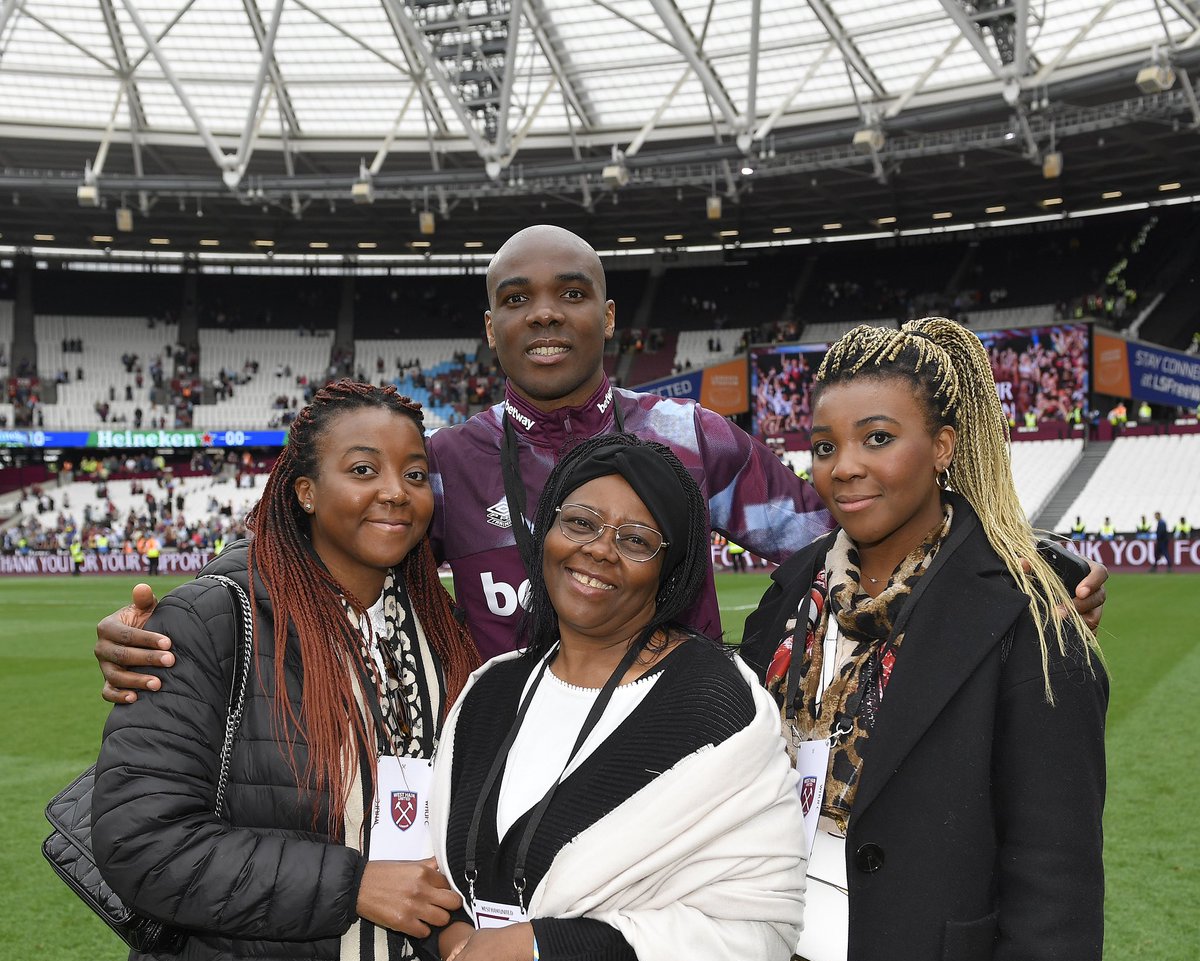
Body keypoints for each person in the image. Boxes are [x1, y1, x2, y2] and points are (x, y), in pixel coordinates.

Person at [90, 225, 1106, 692]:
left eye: (571, 292)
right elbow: (316, 555)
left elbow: (850, 526)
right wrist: (177, 623)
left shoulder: (691, 437)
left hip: (678, 751)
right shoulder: (446, 460)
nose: (546, 313)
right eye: (519, 297)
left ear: (609, 317)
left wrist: (1023, 567)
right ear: (489, 326)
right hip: (507, 756)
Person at [737, 318, 1106, 961]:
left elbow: (1054, 876)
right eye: (823, 445)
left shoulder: (1028, 615)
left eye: (877, 438)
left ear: (942, 446)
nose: (844, 467)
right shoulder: (791, 598)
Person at [90, 381, 480, 961]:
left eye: (414, 474)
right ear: (304, 490)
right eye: (363, 468)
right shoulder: (211, 619)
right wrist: (353, 884)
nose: (394, 493)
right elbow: (142, 843)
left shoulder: (442, 636)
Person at [424, 434, 806, 961]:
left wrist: (540, 958)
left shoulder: (720, 707)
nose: (598, 551)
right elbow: (444, 881)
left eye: (635, 539)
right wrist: (471, 959)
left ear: (671, 567)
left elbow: (748, 948)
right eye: (580, 522)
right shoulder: (492, 690)